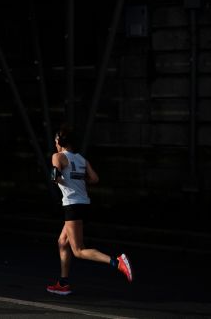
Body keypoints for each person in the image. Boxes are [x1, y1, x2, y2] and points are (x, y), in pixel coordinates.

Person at [46, 127, 133, 296]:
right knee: (62, 242)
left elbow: (54, 176)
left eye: (56, 141)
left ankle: (117, 262)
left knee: (78, 250)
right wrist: (76, 177)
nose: (55, 144)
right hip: (84, 204)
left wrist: (61, 180)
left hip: (72, 205)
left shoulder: (58, 156)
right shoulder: (81, 159)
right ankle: (63, 283)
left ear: (60, 142)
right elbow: (94, 179)